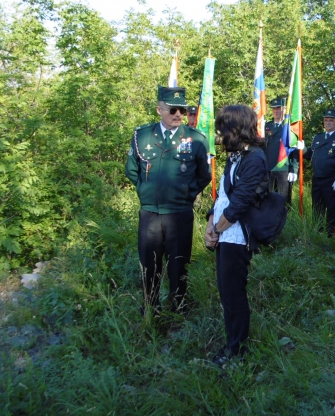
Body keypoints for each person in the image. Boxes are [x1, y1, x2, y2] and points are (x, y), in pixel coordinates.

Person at [125, 86, 210, 317]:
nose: (178, 114)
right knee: (149, 265)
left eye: (181, 110)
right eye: (172, 109)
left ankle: (179, 309)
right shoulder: (142, 136)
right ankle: (150, 310)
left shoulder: (196, 139)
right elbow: (132, 170)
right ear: (159, 110)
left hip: (179, 213)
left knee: (178, 264)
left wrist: (186, 194)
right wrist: (146, 191)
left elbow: (205, 175)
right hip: (150, 214)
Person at [205, 105, 269, 365]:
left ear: (237, 129)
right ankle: (231, 345)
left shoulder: (255, 158)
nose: (219, 135)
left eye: (223, 129)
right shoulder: (235, 156)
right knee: (225, 293)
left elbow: (240, 202)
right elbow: (222, 195)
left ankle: (237, 352)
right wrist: (210, 224)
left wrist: (216, 231)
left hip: (237, 236)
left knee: (234, 294)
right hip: (223, 232)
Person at [304, 109, 335, 236]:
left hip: (332, 179)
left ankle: (331, 234)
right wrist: (303, 150)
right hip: (317, 178)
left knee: (332, 207)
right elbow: (310, 156)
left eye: (331, 120)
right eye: (326, 120)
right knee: (317, 206)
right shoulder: (318, 137)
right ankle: (317, 232)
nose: (328, 122)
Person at [263, 97, 300, 205]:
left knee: (284, 201)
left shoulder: (289, 127)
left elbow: (294, 151)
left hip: (284, 168)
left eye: (278, 108)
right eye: (273, 108)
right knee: (268, 200)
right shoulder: (266, 126)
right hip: (268, 168)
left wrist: (294, 169)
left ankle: (285, 222)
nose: (275, 110)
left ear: (284, 109)